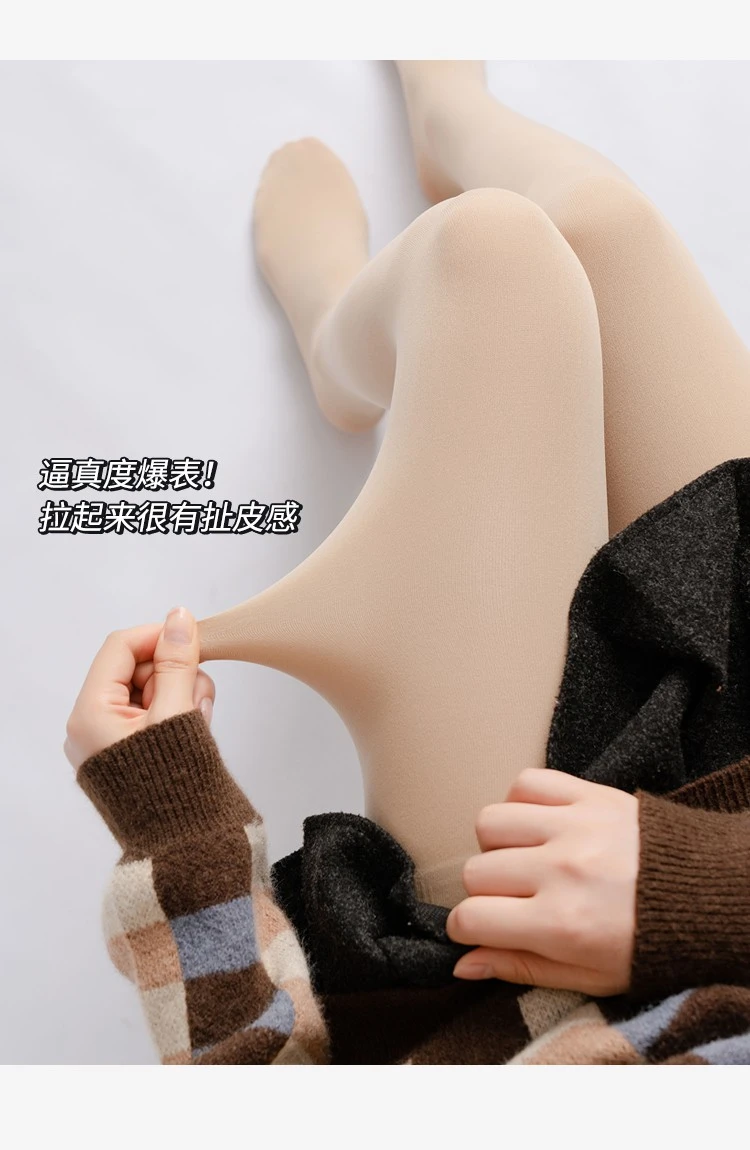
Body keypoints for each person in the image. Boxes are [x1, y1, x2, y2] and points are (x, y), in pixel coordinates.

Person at [67, 62, 750, 1064]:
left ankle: (343, 347)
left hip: (522, 950)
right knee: (604, 225)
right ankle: (459, 122)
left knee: (488, 255)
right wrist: (716, 890)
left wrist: (174, 823)